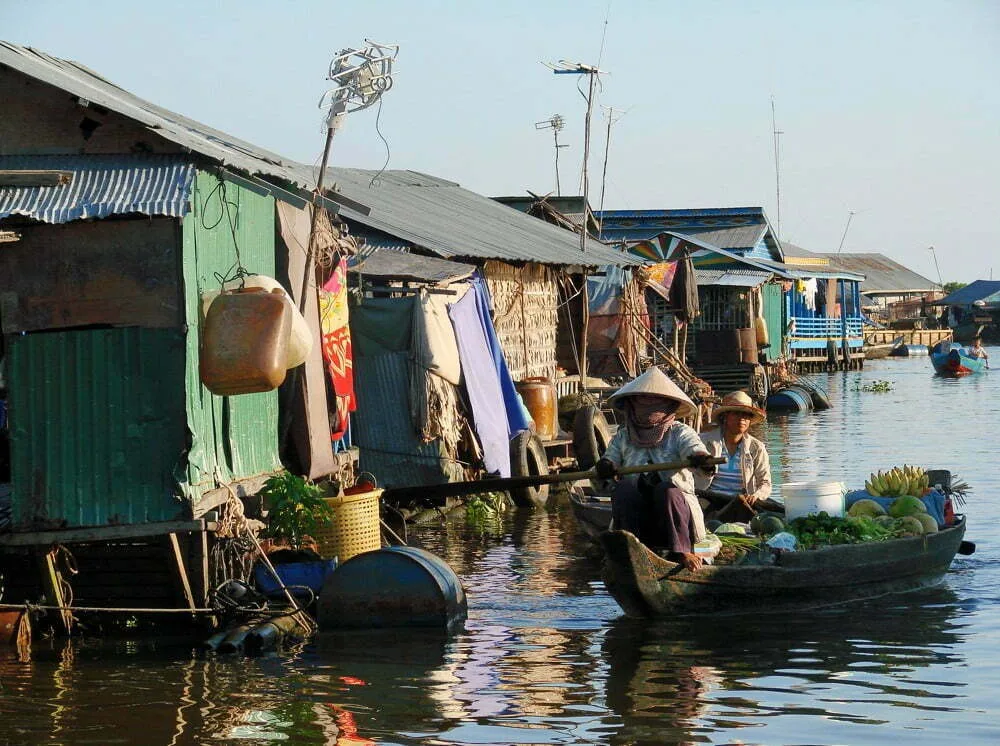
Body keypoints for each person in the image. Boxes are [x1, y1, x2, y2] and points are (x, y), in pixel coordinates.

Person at [595, 367, 717, 571]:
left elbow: (695, 449)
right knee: (624, 487)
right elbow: (608, 463)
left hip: (674, 517)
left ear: (669, 407)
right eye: (643, 401)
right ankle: (629, 547)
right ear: (632, 406)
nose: (648, 408)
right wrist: (606, 467)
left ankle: (681, 550)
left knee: (667, 489)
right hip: (638, 516)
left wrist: (701, 459)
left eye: (655, 402)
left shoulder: (680, 432)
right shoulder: (624, 436)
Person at [697, 390, 772, 523]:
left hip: (740, 503)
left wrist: (756, 495)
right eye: (736, 413)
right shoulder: (704, 441)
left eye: (746, 415)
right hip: (709, 501)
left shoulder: (756, 448)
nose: (742, 418)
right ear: (725, 416)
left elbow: (765, 483)